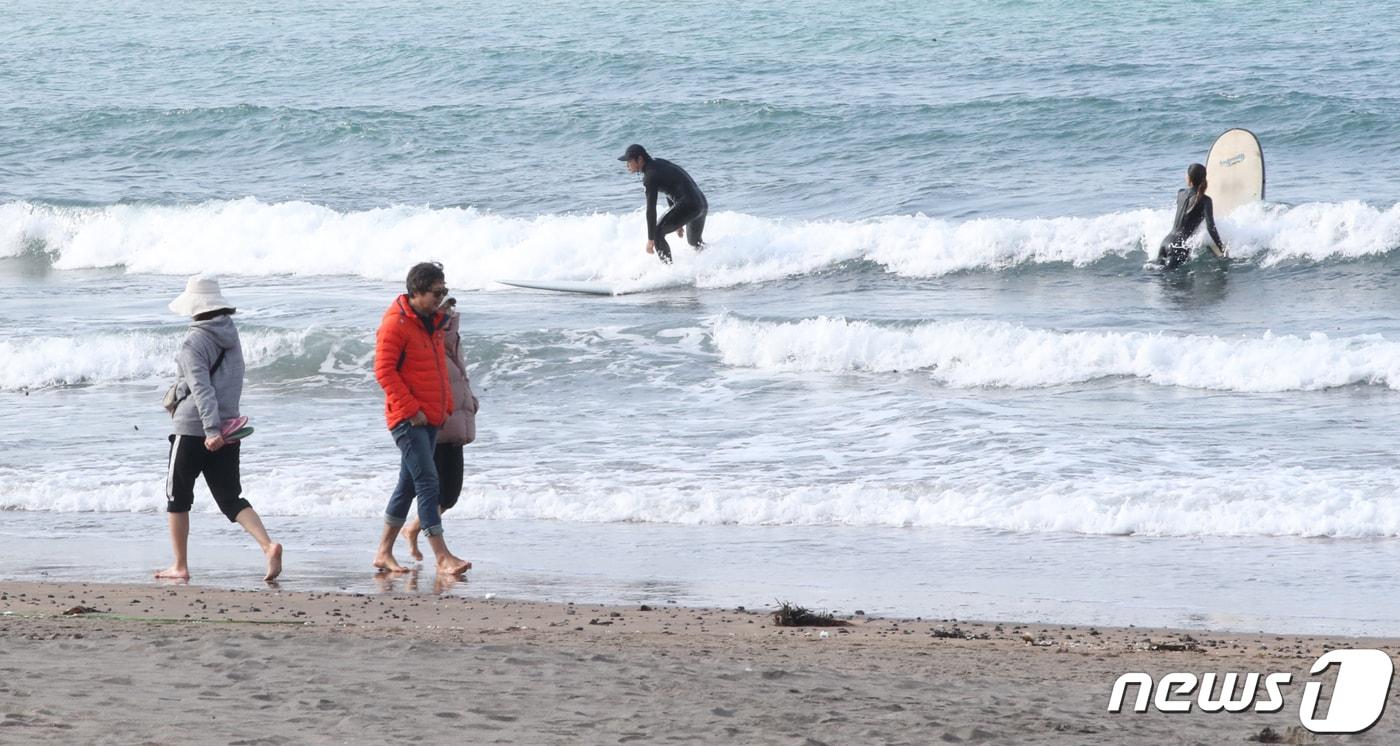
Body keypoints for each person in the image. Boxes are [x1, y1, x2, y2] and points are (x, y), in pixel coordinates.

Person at [157, 276, 283, 582]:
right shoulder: (231, 335)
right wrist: (220, 426)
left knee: (177, 497)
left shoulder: (193, 342)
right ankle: (267, 546)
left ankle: (180, 565)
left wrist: (210, 429)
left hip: (195, 428)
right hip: (229, 426)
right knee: (230, 497)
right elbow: (229, 382)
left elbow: (202, 390)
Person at [372, 262, 472, 575]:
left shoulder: (431, 324)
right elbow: (383, 371)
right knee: (429, 482)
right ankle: (442, 556)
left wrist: (444, 410)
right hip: (408, 419)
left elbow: (441, 371)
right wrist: (410, 408)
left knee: (406, 486)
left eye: (445, 291)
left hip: (430, 417)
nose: (440, 298)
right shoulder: (395, 324)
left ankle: (383, 553)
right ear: (416, 292)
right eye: (436, 293)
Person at [402, 297, 479, 562]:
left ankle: (411, 528)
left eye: (451, 308)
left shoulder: (451, 341)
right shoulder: (428, 340)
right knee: (430, 490)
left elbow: (459, 379)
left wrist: (469, 401)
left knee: (451, 494)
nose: (449, 312)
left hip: (455, 422)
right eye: (444, 307)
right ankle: (438, 553)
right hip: (433, 424)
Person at [618, 143, 707, 264]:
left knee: (657, 233)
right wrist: (678, 221)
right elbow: (670, 189)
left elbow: (651, 209)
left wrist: (651, 239)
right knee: (694, 243)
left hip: (689, 205)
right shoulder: (658, 163)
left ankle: (669, 272)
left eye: (629, 161)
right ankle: (714, 263)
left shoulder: (650, 176)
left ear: (639, 159)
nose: (627, 165)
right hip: (701, 203)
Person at [1156, 162, 1228, 270]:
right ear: (1203, 179)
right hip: (1179, 246)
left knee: (1158, 275)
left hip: (1166, 241)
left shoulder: (1180, 193)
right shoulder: (1206, 201)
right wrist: (1223, 249)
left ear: (1189, 178)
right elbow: (1210, 227)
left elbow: (1186, 214)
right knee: (1174, 283)